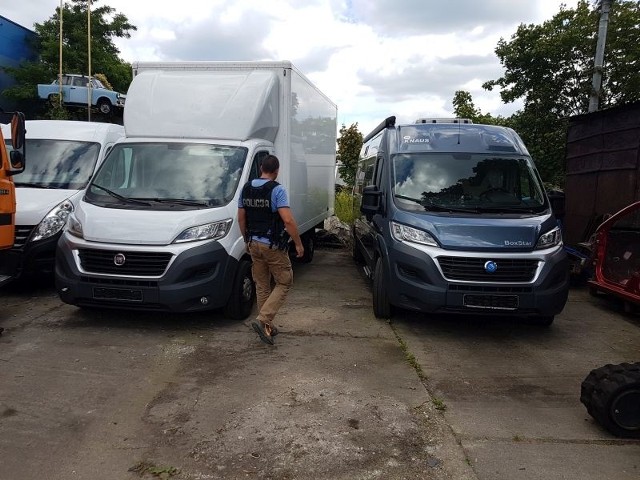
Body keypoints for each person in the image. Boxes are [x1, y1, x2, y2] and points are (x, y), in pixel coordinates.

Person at [237, 155, 304, 345]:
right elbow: (288, 220)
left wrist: (246, 239)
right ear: (276, 170)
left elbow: (241, 218)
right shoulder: (277, 190)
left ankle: (265, 327)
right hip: (272, 244)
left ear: (260, 169)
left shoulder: (246, 188)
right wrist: (298, 243)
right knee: (284, 281)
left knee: (262, 285)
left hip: (253, 243)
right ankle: (263, 319)